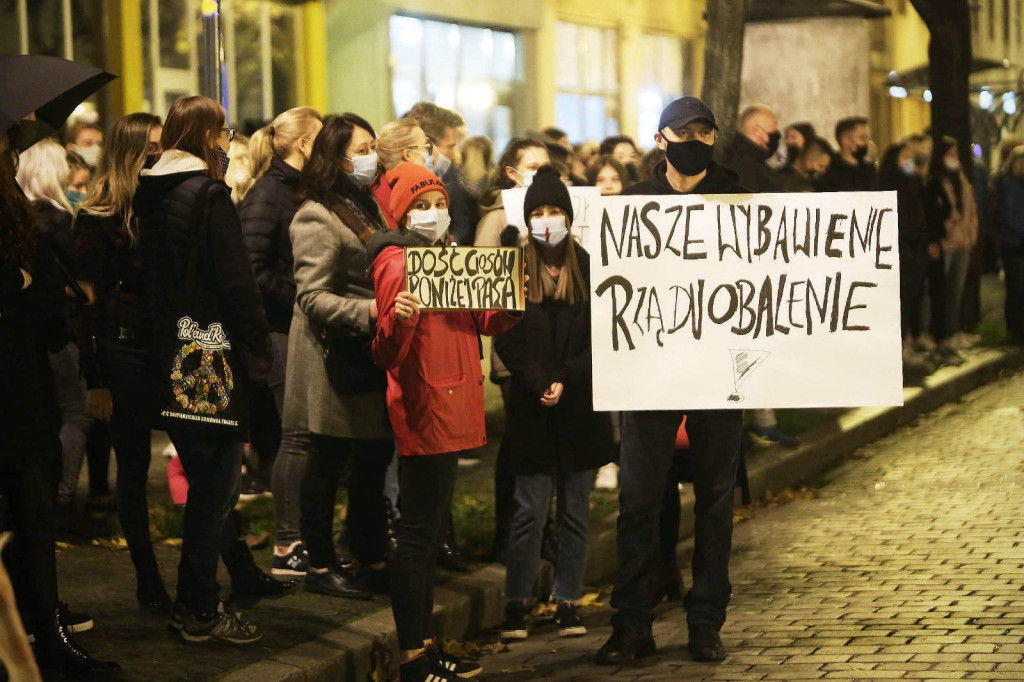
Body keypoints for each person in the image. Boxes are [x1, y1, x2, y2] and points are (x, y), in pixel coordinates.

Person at [596, 96, 745, 666]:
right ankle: (631, 624)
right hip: (648, 374)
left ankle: (705, 622)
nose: (695, 141)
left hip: (717, 373)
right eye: (685, 133)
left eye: (704, 133)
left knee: (714, 502)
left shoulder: (739, 200)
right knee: (638, 501)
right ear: (661, 140)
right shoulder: (632, 206)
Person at [367, 161, 520, 682]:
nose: (433, 213)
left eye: (439, 204)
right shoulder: (397, 263)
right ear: (402, 213)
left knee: (429, 536)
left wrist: (512, 301)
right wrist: (401, 319)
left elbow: (484, 319)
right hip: (426, 408)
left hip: (452, 402)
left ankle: (426, 648)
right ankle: (413, 658)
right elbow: (386, 353)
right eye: (421, 206)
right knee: (417, 538)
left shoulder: (448, 256)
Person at [133, 95, 278, 644]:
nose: (227, 144)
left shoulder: (150, 191)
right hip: (213, 353)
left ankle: (194, 603)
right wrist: (257, 352)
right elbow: (236, 283)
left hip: (171, 348)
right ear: (207, 136)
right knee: (215, 489)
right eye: (223, 134)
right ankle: (198, 608)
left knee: (205, 482)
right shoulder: (208, 195)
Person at [1, 125, 120, 678]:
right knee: (30, 516)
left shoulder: (19, 216)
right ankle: (42, 638)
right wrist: (19, 284)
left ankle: (42, 633)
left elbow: (51, 310)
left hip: (24, 389)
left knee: (32, 517)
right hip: (19, 391)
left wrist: (28, 285)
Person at [496, 165, 614, 641]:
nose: (547, 220)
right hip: (532, 410)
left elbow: (602, 334)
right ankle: (516, 600)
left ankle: (568, 600)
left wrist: (564, 378)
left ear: (568, 215)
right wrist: (538, 380)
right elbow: (506, 336)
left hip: (580, 408)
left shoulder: (589, 266)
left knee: (574, 512)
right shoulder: (514, 268)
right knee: (528, 512)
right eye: (538, 212)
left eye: (554, 211)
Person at [282, 113, 392, 599]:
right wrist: (370, 310)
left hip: (365, 355)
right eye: (361, 150)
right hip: (332, 358)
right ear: (336, 158)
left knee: (371, 460)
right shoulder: (317, 215)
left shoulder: (367, 204)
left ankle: (369, 555)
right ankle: (321, 564)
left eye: (373, 147)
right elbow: (311, 296)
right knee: (327, 463)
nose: (372, 157)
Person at [240, 106, 322, 576]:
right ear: (304, 143)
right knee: (297, 436)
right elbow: (251, 268)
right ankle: (287, 544)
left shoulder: (296, 189)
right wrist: (299, 297)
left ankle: (304, 538)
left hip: (295, 327)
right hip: (279, 331)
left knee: (305, 436)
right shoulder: (269, 193)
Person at [475, 137, 550, 559]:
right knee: (520, 442)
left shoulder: (556, 213)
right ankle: (508, 533)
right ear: (511, 172)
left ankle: (541, 530)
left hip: (552, 345)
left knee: (547, 443)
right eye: (533, 166)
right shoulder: (497, 220)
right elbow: (485, 287)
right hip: (516, 347)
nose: (542, 173)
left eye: (546, 166)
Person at [15, 139, 93, 526]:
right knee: (76, 412)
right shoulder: (57, 218)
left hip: (26, 329)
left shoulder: (18, 216)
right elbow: (77, 274)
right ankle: (61, 495)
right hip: (60, 328)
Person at [878, 142, 939, 377]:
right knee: (900, 301)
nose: (909, 162)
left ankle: (909, 342)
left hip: (915, 249)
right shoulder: (888, 184)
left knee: (913, 298)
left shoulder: (914, 182)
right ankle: (900, 347)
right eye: (904, 157)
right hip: (900, 248)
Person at [926, 136, 979, 350]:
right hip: (946, 241)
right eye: (950, 153)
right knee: (939, 291)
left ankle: (953, 331)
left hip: (963, 241)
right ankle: (936, 334)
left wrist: (971, 232)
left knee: (956, 290)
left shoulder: (961, 179)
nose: (954, 157)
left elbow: (971, 209)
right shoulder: (935, 180)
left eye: (956, 153)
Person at [403, 102, 475, 246]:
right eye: (450, 147)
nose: (454, 156)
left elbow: (461, 221)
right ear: (427, 145)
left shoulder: (449, 176)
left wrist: (451, 242)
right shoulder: (393, 184)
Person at [373, 117, 435, 228]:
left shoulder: (377, 186)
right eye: (425, 147)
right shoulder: (412, 190)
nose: (429, 153)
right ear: (408, 155)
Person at [720, 104, 781, 193]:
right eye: (772, 132)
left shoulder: (729, 157)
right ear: (757, 131)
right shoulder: (748, 167)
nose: (774, 137)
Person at [998, 146, 1024, 345]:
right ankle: (1014, 332)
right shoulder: (1008, 184)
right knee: (1015, 288)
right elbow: (1008, 214)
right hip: (1013, 243)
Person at [816, 116, 877, 192]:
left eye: (867, 138)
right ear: (846, 140)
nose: (866, 142)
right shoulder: (828, 170)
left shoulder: (869, 170)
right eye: (862, 138)